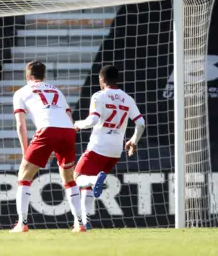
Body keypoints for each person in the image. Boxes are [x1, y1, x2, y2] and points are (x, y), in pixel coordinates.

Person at [10, 60, 84, 233]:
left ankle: (22, 223)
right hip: (67, 131)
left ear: (27, 76)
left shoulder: (21, 92)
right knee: (69, 178)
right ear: (45, 76)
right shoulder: (56, 89)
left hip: (47, 129)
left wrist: (25, 151)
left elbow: (20, 125)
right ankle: (79, 224)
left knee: (24, 175)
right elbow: (68, 116)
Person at [74, 65, 145, 229]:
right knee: (87, 187)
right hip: (115, 150)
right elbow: (140, 123)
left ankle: (95, 179)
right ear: (117, 79)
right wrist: (133, 141)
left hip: (98, 146)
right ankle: (84, 221)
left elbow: (92, 121)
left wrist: (77, 124)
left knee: (77, 177)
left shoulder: (99, 96)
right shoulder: (127, 98)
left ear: (101, 79)